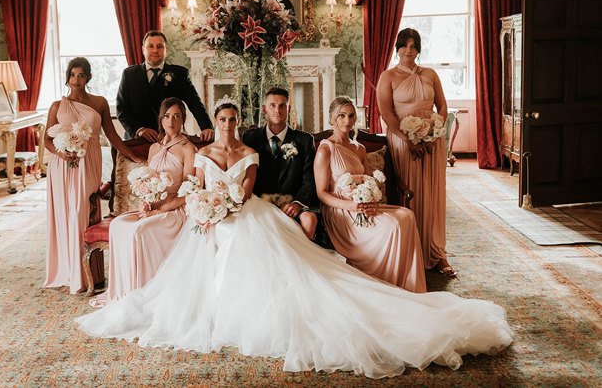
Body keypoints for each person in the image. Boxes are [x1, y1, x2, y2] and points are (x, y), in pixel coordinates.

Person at [76, 97, 513, 380]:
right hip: (209, 216)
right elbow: (193, 185)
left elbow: (244, 192)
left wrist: (218, 207)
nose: (227, 124)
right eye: (222, 119)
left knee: (244, 245)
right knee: (207, 251)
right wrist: (200, 206)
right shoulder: (205, 151)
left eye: (231, 119)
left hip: (239, 212)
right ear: (218, 121)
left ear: (240, 121)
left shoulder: (247, 153)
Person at [91, 98, 196, 307]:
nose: (171, 121)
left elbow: (189, 190)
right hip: (154, 206)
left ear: (183, 119)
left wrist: (163, 207)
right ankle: (125, 291)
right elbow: (150, 182)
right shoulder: (154, 148)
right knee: (119, 226)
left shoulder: (188, 148)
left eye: (177, 116)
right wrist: (147, 203)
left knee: (139, 231)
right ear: (161, 118)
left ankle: (144, 292)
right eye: (167, 116)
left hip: (176, 209)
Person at [44, 57, 136, 294]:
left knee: (83, 213)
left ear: (88, 77)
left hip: (89, 163)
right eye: (72, 75)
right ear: (67, 76)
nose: (76, 80)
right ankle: (69, 271)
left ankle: (89, 274)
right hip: (63, 167)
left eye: (81, 75)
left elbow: (113, 136)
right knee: (67, 215)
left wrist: (134, 156)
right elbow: (46, 139)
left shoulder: (99, 102)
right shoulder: (57, 106)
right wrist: (61, 153)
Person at [315, 96, 426, 293]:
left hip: (364, 204)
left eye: (351, 116)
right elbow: (322, 193)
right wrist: (351, 206)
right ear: (332, 118)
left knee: (407, 216)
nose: (347, 121)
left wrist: (371, 200)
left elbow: (369, 181)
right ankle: (383, 283)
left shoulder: (360, 148)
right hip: (340, 210)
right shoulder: (325, 149)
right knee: (392, 225)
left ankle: (404, 286)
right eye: (341, 116)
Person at [376, 28, 454, 277]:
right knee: (411, 193)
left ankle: (436, 252)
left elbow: (442, 106)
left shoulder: (430, 74)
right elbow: (387, 115)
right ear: (397, 48)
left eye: (413, 45)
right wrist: (407, 140)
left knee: (433, 195)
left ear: (419, 49)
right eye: (404, 45)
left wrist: (435, 133)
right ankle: (409, 250)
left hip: (432, 142)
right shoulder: (387, 77)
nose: (408, 50)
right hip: (403, 141)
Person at [241, 87, 318, 240]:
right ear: (264, 109)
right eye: (272, 105)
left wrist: (297, 203)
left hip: (291, 204)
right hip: (260, 205)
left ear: (289, 109)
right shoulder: (249, 138)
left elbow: (309, 180)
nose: (278, 110)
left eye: (282, 105)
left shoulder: (305, 140)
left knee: (309, 219)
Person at [116, 30, 214, 142]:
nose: (155, 50)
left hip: (170, 139)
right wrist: (139, 130)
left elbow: (195, 104)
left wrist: (207, 127)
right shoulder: (129, 75)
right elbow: (121, 110)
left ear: (166, 50)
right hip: (138, 140)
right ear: (143, 49)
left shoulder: (179, 74)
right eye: (150, 46)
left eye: (159, 46)